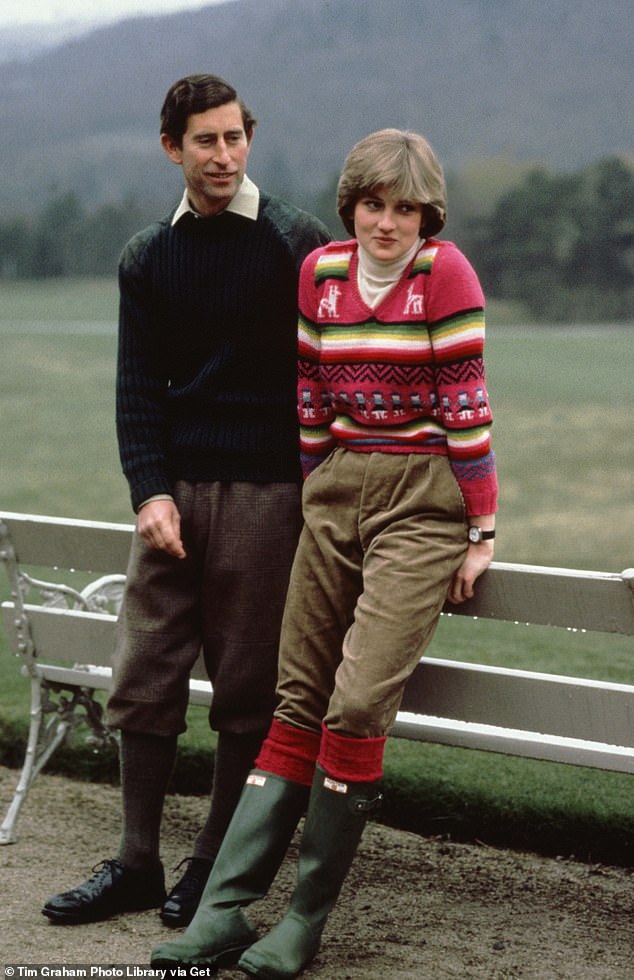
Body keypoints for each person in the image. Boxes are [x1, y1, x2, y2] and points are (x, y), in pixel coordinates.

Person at [150, 127, 498, 977]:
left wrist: (480, 529)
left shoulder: (441, 274)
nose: (388, 224)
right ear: (353, 205)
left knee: (354, 704)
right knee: (295, 696)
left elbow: (466, 403)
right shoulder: (321, 273)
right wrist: (318, 490)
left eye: (406, 208)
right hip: (337, 488)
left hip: (422, 500)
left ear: (428, 214)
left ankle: (303, 920)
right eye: (375, 205)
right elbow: (309, 389)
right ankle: (227, 911)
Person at [41, 73, 331, 929]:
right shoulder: (147, 256)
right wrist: (149, 492)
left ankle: (210, 867)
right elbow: (138, 391)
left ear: (250, 139)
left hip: (269, 494)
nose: (223, 154)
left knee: (247, 687)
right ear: (172, 147)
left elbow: (327, 375)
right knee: (144, 672)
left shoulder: (294, 241)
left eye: (235, 137)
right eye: (204, 140)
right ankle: (136, 861)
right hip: (173, 502)